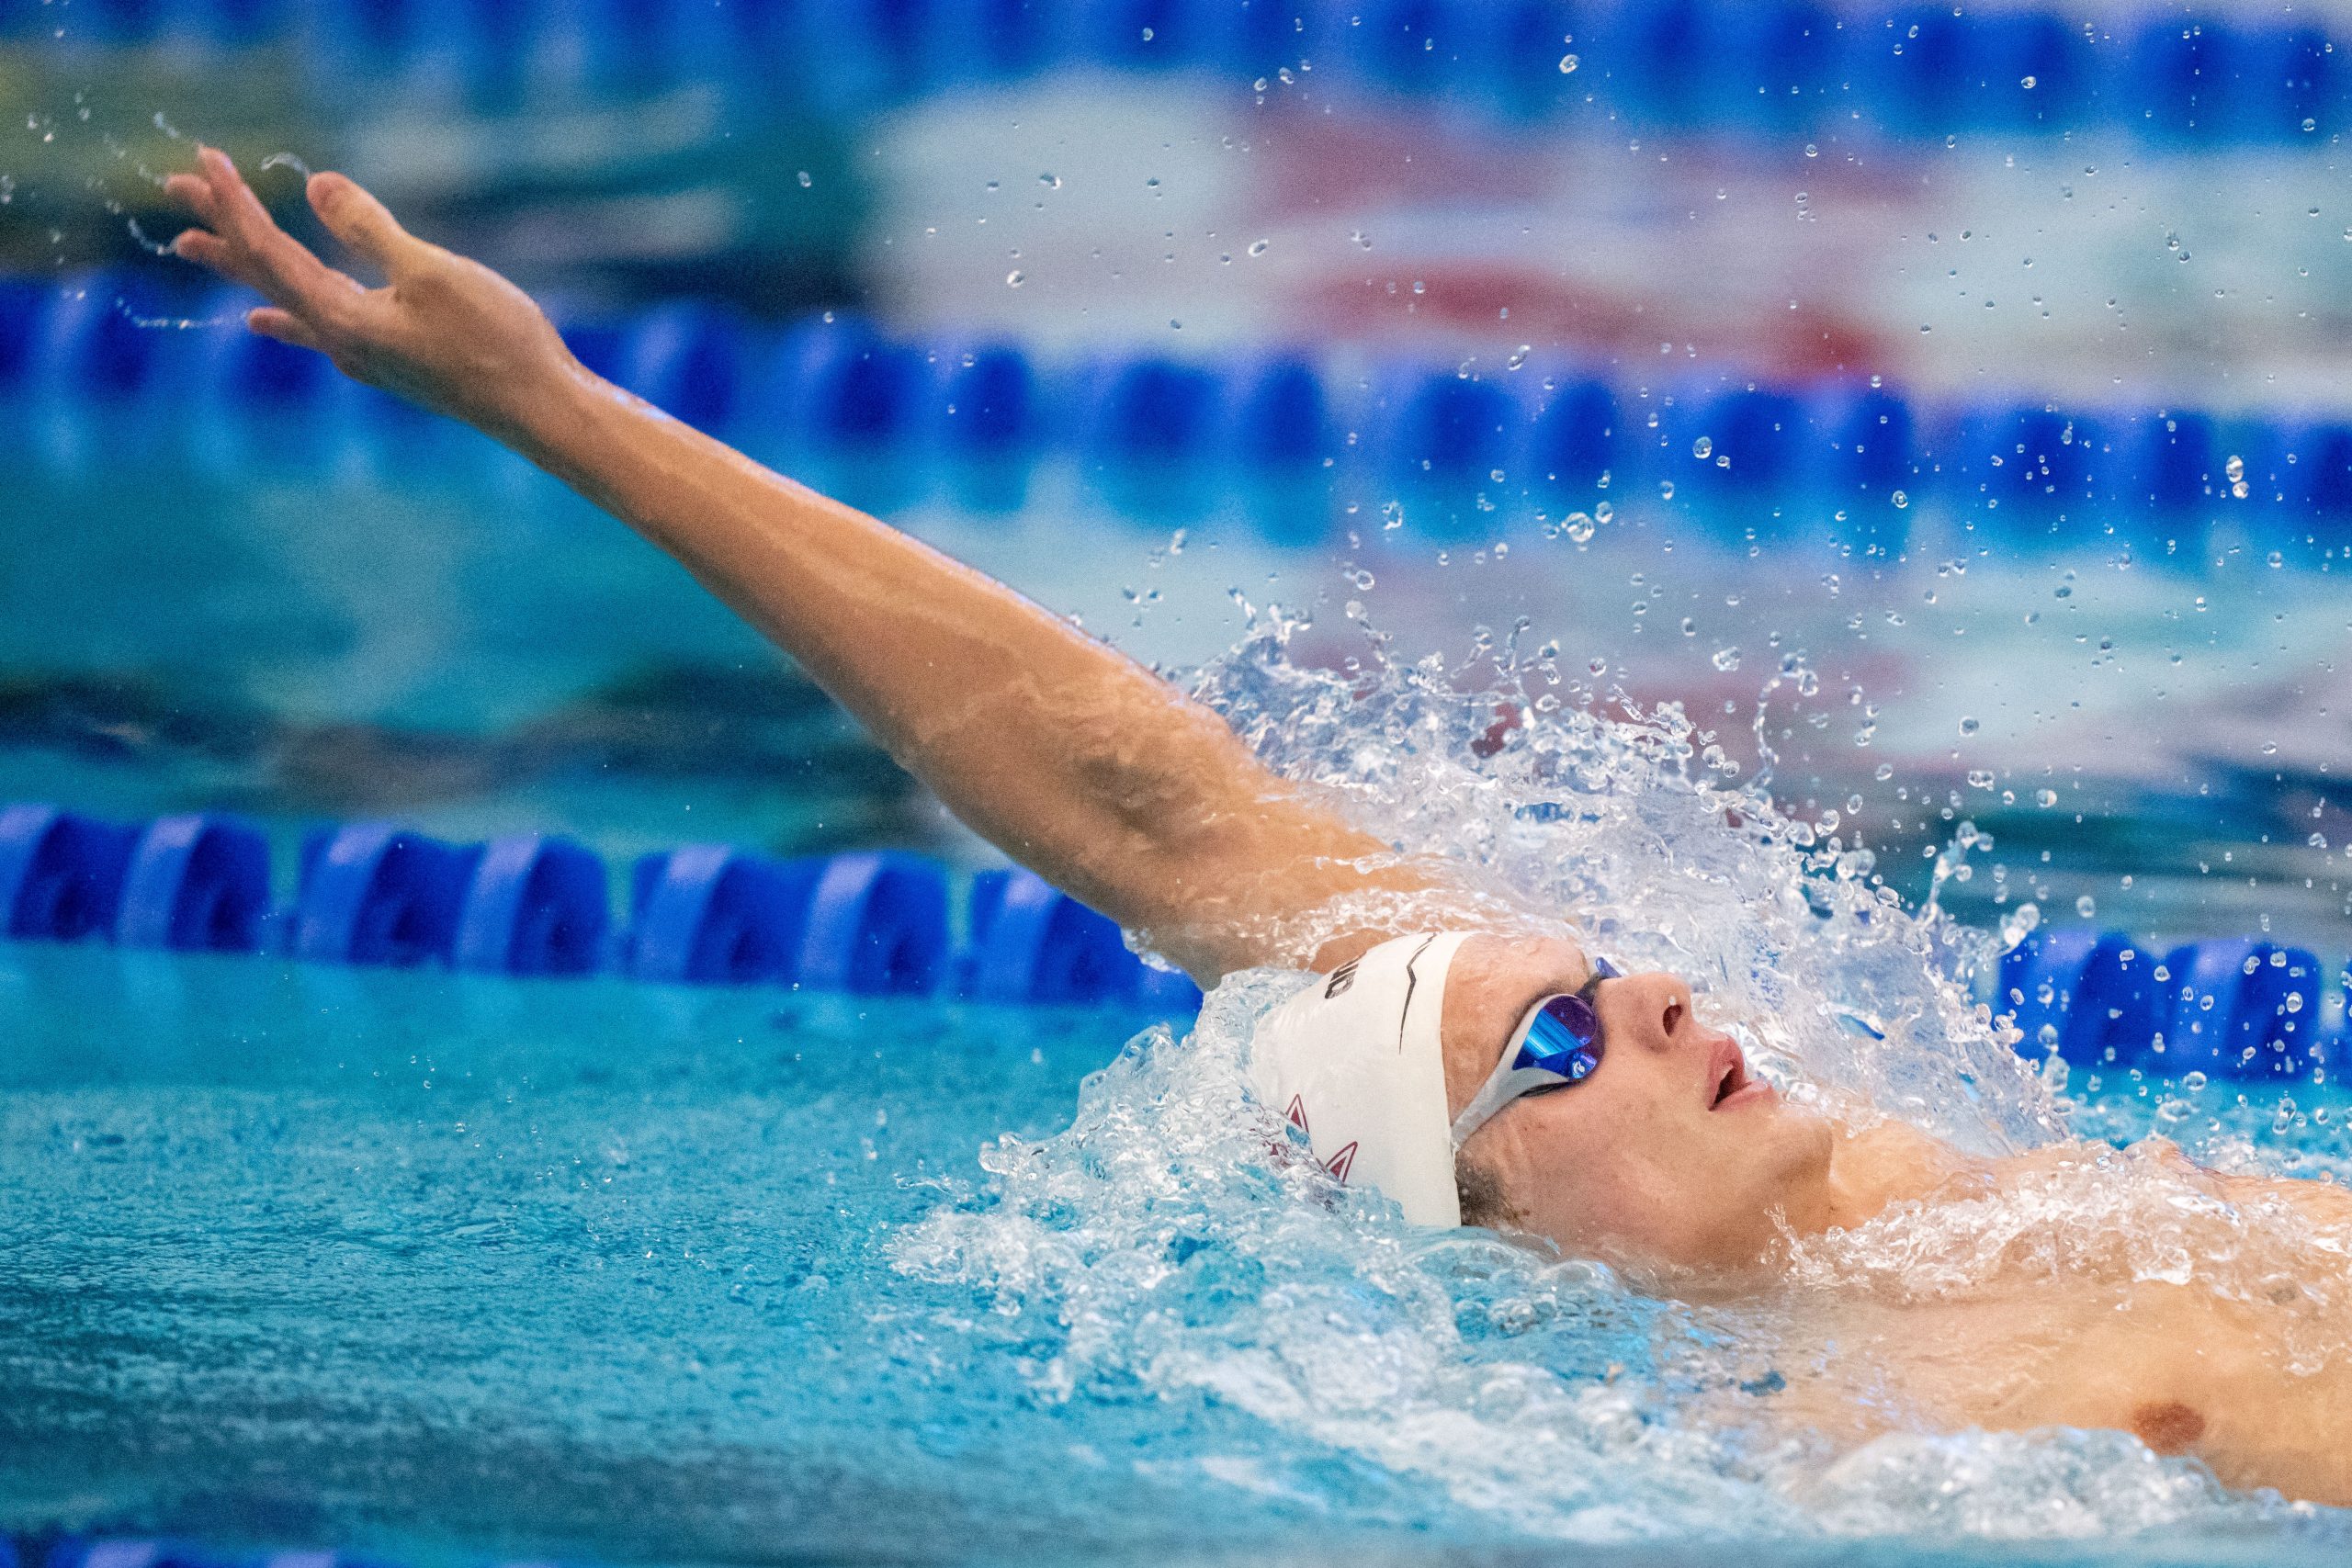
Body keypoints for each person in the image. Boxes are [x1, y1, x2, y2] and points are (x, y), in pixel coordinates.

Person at [164, 148, 2352, 1506]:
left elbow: (1154, 810)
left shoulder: (1899, 1181)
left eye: (1592, 978)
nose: (1661, 994)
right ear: (1491, 1244)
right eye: (1558, 1048)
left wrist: (557, 406)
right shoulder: (1850, 1456)